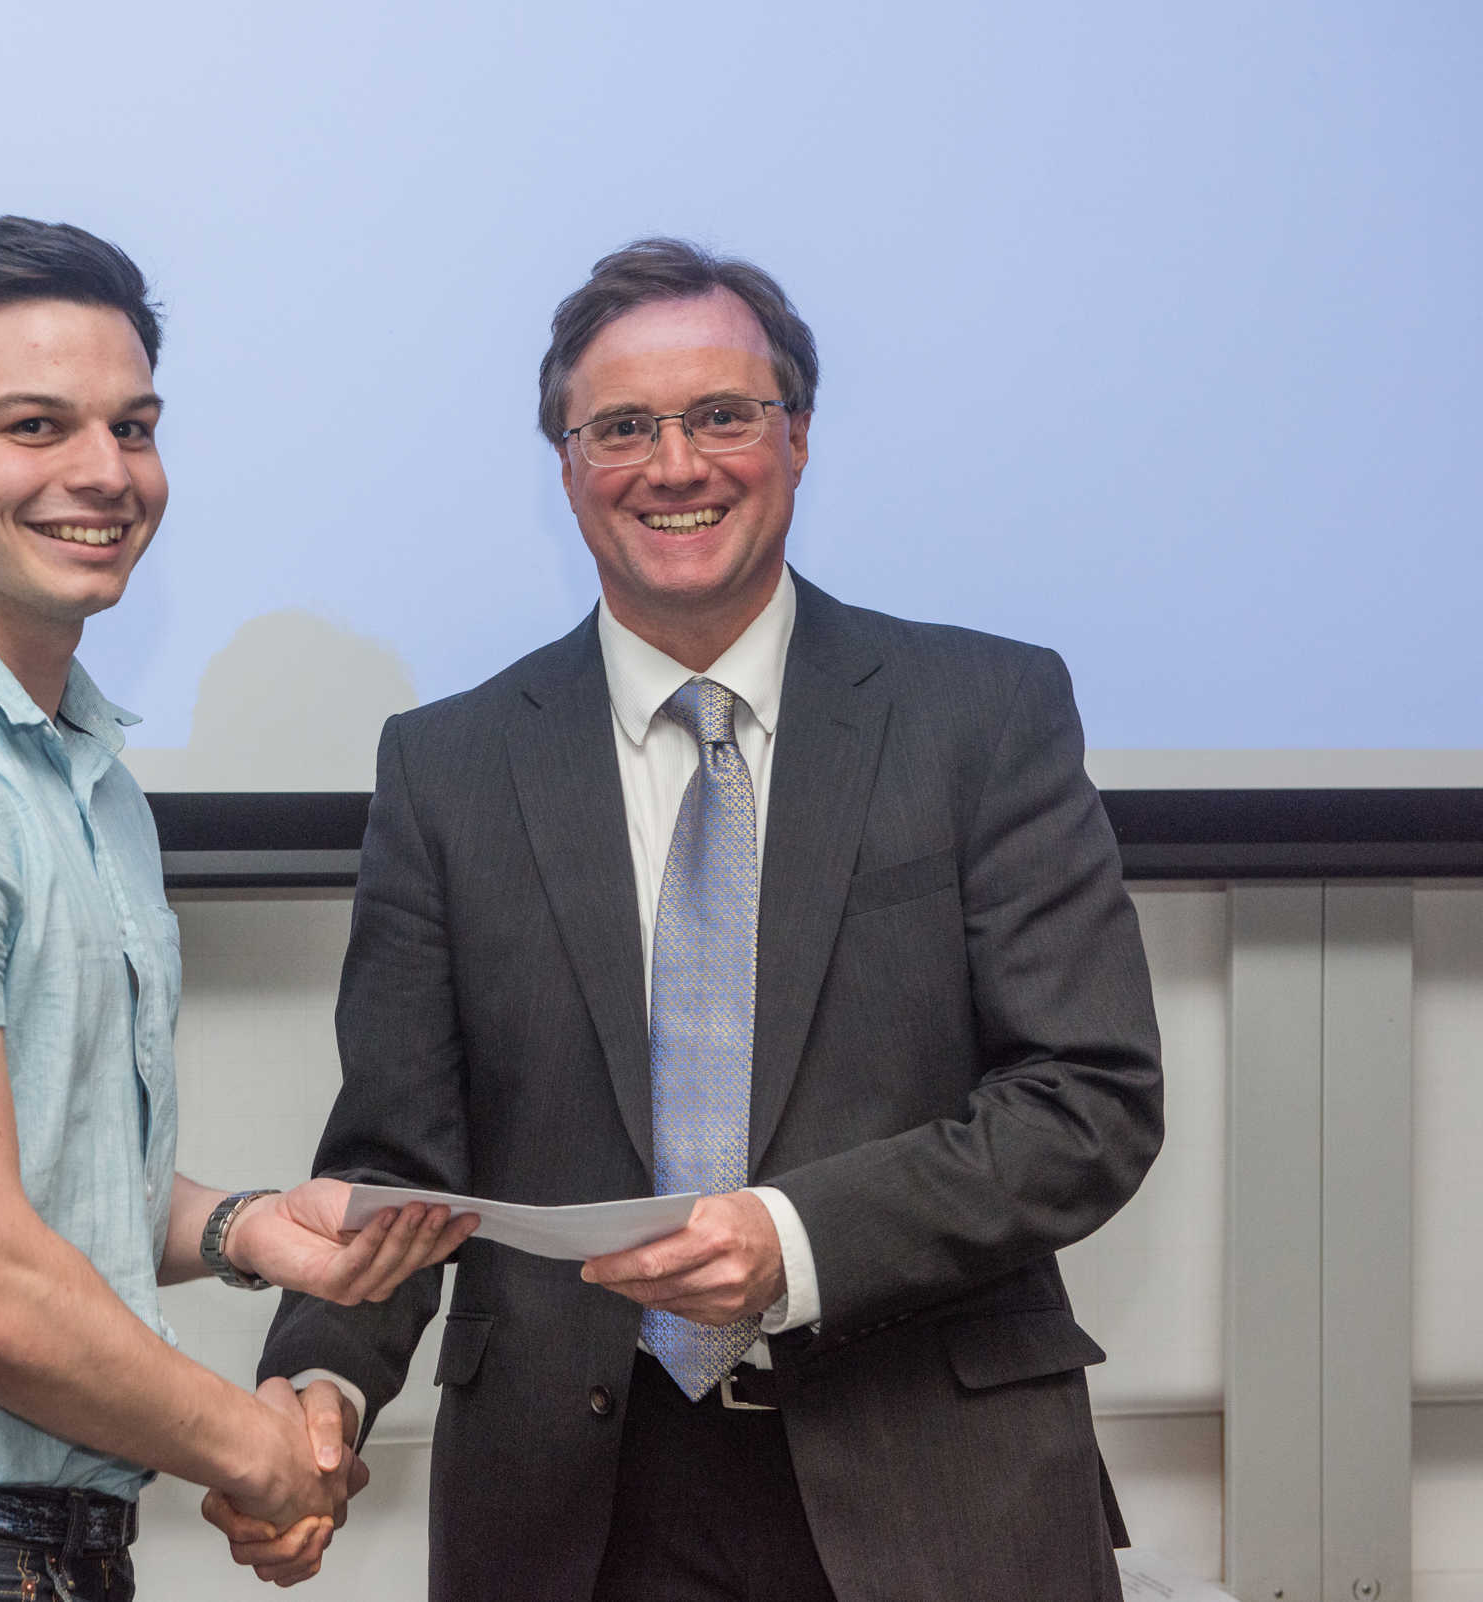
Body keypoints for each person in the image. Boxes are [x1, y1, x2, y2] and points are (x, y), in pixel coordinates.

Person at [227, 239, 1166, 1600]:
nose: (675, 465)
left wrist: (792, 1239)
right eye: (622, 428)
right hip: (573, 1520)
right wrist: (320, 1387)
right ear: (566, 467)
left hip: (935, 1491)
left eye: (723, 415)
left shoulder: (982, 715)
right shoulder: (449, 767)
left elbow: (1088, 1100)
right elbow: (396, 1158)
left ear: (798, 438)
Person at [0, 216, 472, 1601]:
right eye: (36, 426)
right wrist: (255, 1449)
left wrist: (243, 1228)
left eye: (134, 426)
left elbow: (22, 1175)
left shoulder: (73, 768)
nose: (106, 472)